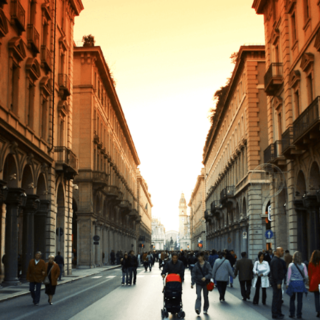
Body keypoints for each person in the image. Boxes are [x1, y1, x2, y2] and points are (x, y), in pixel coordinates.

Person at [286, 251, 308, 319]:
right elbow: (306, 275)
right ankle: (299, 315)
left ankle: (292, 314)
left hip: (293, 283)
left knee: (292, 299)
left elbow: (289, 275)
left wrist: (287, 283)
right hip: (300, 283)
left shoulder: (291, 265)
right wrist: (306, 282)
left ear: (294, 257)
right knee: (300, 300)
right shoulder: (303, 265)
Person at [270, 247, 286, 319]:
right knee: (276, 298)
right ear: (277, 252)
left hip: (277, 281)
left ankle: (278, 313)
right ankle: (275, 314)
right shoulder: (275, 260)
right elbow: (275, 273)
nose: (283, 252)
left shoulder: (277, 260)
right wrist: (278, 282)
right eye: (281, 251)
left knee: (278, 298)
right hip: (276, 282)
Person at [308, 250, 320, 318]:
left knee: (316, 297)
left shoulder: (310, 263)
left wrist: (309, 283)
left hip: (314, 281)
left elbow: (310, 274)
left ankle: (318, 311)